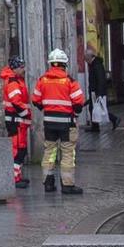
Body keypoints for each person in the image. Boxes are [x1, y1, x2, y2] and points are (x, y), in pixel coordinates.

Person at [34, 49, 87, 195]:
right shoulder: (70, 81)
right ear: (65, 64)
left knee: (49, 152)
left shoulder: (42, 80)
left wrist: (47, 109)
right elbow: (78, 103)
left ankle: (48, 183)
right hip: (66, 123)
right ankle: (67, 185)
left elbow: (35, 100)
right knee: (68, 153)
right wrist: (75, 115)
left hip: (49, 122)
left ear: (51, 64)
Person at [0, 64, 32, 188]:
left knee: (20, 150)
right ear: (14, 68)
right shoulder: (13, 82)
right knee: (18, 151)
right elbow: (17, 103)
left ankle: (17, 176)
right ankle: (14, 178)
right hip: (16, 122)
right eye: (21, 67)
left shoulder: (16, 80)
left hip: (18, 122)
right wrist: (26, 115)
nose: (24, 69)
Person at [84, 52, 114, 133]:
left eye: (86, 59)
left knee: (97, 108)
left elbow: (101, 79)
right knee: (93, 108)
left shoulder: (97, 65)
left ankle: (114, 119)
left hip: (97, 91)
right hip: (95, 90)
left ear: (90, 57)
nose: (85, 61)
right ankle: (95, 127)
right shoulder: (94, 64)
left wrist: (99, 93)